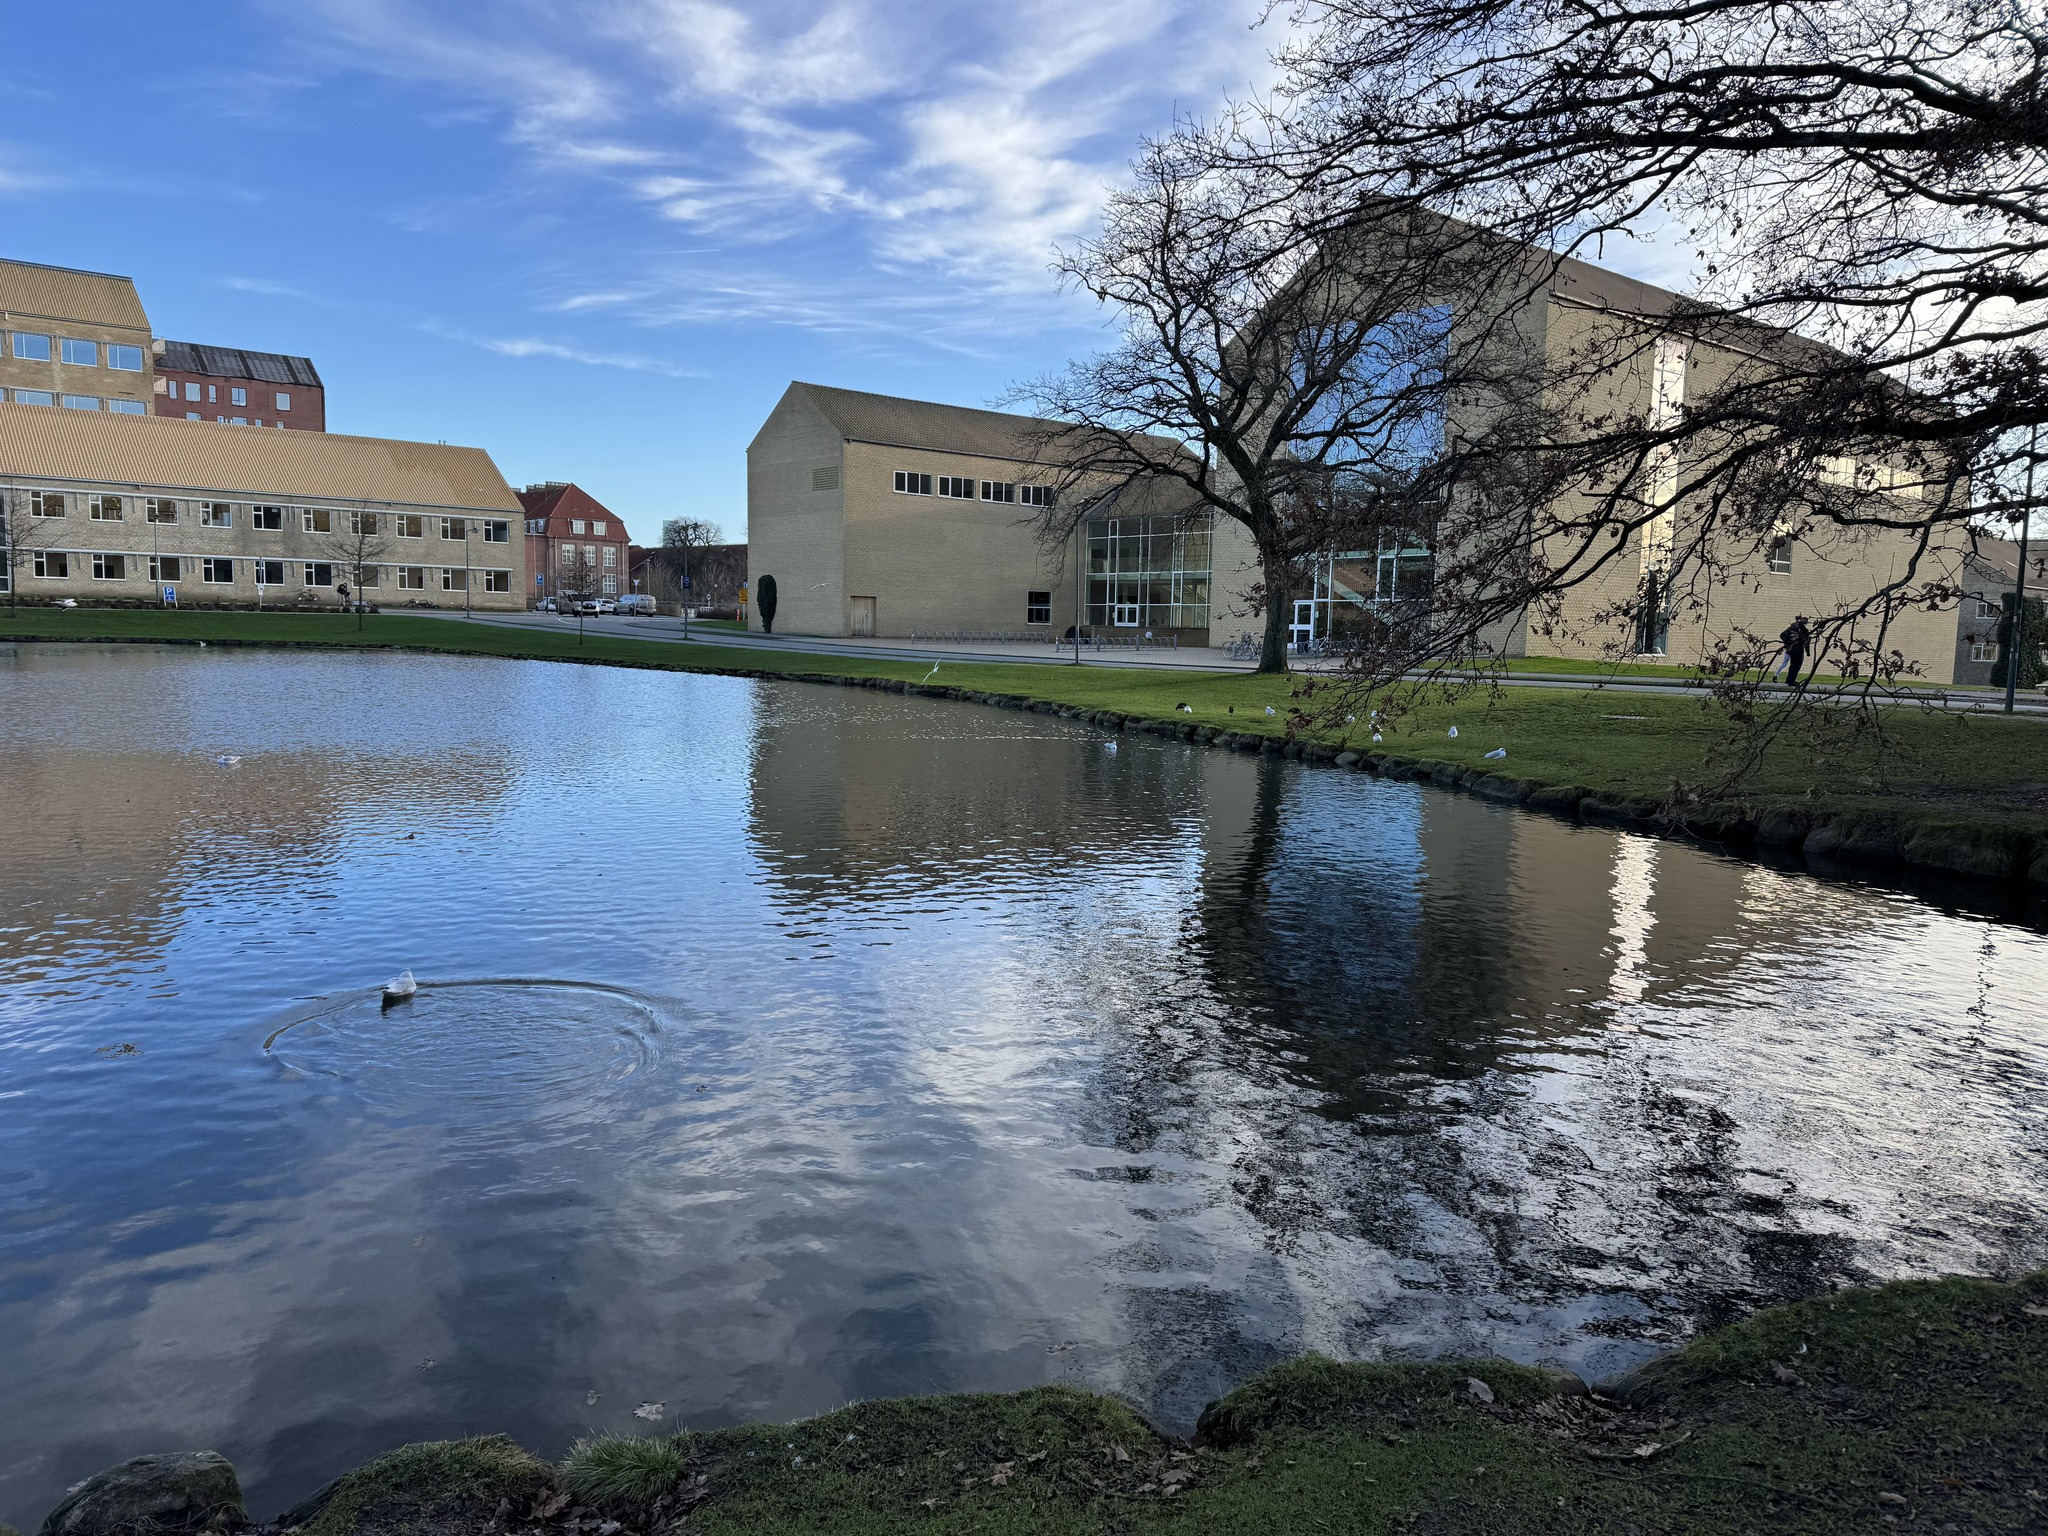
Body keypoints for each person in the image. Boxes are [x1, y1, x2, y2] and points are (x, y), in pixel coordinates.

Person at [1773, 616, 1812, 684]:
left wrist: (1787, 643)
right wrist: (1808, 652)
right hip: (1798, 649)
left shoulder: (1791, 628)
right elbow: (1806, 643)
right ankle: (1791, 680)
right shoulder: (1804, 630)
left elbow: (1783, 635)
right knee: (1796, 665)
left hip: (1790, 649)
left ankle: (1789, 679)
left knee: (1792, 664)